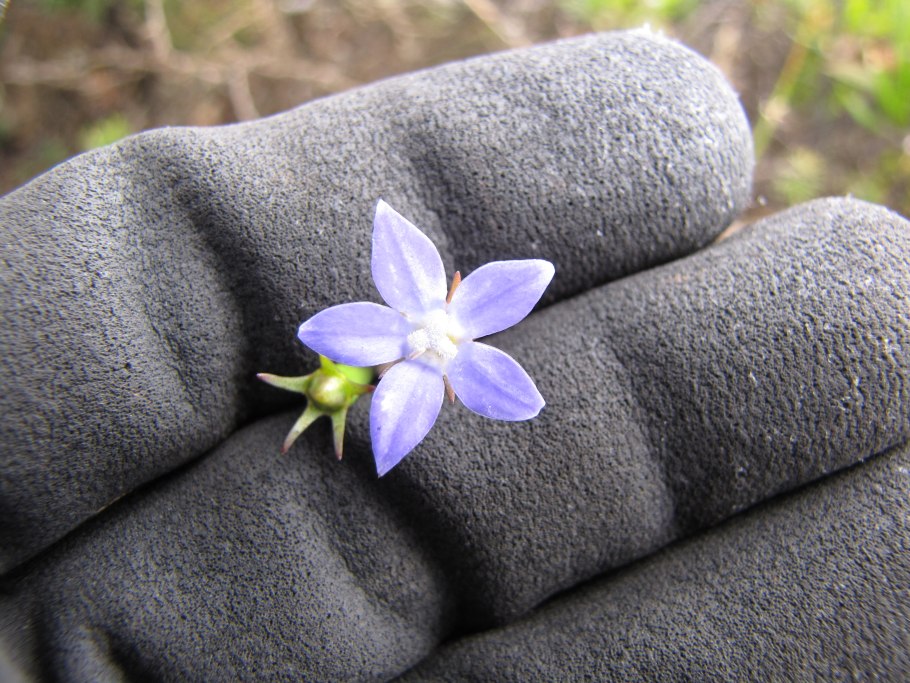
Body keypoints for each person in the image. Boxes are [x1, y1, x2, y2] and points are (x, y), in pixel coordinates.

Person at [1, 28, 907, 681]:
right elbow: (338, 338)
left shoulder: (461, 357)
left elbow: (477, 368)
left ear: (467, 300)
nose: (439, 336)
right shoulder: (381, 329)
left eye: (447, 330)